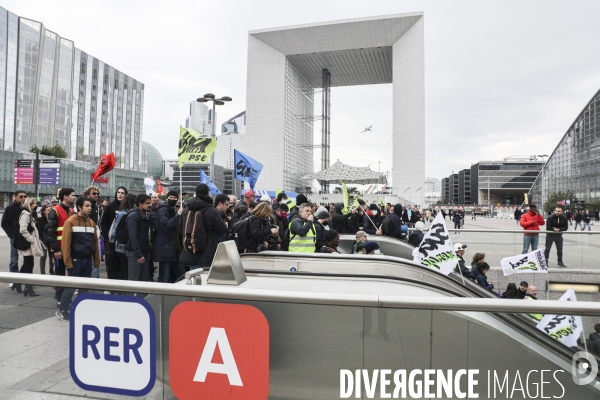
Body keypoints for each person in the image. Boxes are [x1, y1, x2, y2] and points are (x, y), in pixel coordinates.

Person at [56, 196, 100, 320]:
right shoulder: (71, 221)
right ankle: (62, 309)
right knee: (71, 286)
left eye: (90, 206)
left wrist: (96, 261)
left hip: (87, 259)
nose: (89, 208)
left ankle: (82, 309)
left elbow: (95, 243)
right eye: (87, 206)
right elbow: (66, 244)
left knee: (84, 287)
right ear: (79, 207)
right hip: (75, 259)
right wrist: (68, 262)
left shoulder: (91, 222)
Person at [179, 184, 228, 270]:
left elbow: (180, 227)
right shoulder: (212, 211)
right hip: (208, 253)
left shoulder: (186, 210)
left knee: (194, 278)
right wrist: (225, 225)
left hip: (191, 250)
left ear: (196, 193)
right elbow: (222, 230)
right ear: (207, 193)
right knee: (206, 280)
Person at [47, 188, 76, 308]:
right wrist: (56, 249)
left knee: (70, 274)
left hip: (69, 248)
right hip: (59, 249)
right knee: (59, 274)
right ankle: (59, 298)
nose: (74, 197)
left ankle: (65, 298)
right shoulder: (55, 211)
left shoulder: (71, 210)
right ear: (65, 197)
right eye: (72, 195)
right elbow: (50, 233)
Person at [15, 197, 44, 296]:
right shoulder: (26, 215)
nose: (36, 205)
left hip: (28, 243)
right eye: (35, 204)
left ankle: (17, 282)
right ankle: (28, 287)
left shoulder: (29, 214)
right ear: (30, 204)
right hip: (27, 244)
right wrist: (32, 240)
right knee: (29, 265)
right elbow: (23, 230)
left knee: (27, 264)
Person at [153, 191, 183, 283]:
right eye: (171, 197)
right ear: (167, 198)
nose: (172, 200)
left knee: (172, 275)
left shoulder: (173, 210)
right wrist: (178, 215)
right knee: (164, 276)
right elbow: (166, 226)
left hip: (173, 248)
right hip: (165, 247)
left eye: (174, 198)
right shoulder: (163, 210)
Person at [100, 186, 128, 280]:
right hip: (111, 241)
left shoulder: (127, 208)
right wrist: (107, 236)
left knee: (122, 265)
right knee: (112, 263)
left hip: (122, 242)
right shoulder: (110, 207)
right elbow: (102, 222)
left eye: (122, 193)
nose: (120, 194)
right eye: (118, 192)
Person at [1, 190, 27, 288]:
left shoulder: (26, 207)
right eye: (21, 196)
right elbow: (4, 223)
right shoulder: (10, 208)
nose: (23, 198)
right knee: (14, 259)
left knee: (27, 259)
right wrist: (12, 235)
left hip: (26, 237)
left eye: (25, 196)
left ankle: (23, 279)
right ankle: (14, 279)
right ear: (15, 197)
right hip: (15, 237)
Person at [38, 205, 53, 275]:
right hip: (43, 240)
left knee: (51, 257)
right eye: (48, 210)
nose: (49, 212)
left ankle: (51, 271)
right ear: (44, 211)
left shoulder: (52, 219)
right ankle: (42, 273)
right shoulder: (40, 220)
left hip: (51, 240)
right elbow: (40, 231)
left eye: (50, 210)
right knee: (43, 257)